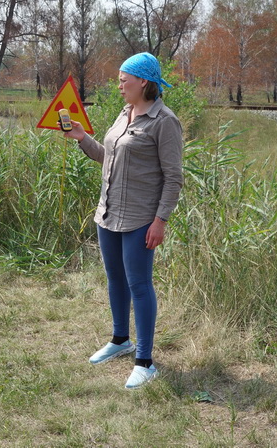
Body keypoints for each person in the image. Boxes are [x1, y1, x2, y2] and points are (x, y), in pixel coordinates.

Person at [62, 52, 183, 389]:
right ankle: (120, 341)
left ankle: (145, 361)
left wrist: (160, 221)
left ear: (143, 81)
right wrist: (81, 138)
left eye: (123, 79)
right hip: (109, 212)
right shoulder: (124, 113)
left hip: (141, 218)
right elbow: (109, 157)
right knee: (115, 278)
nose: (119, 84)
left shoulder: (164, 121)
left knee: (139, 285)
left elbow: (173, 178)